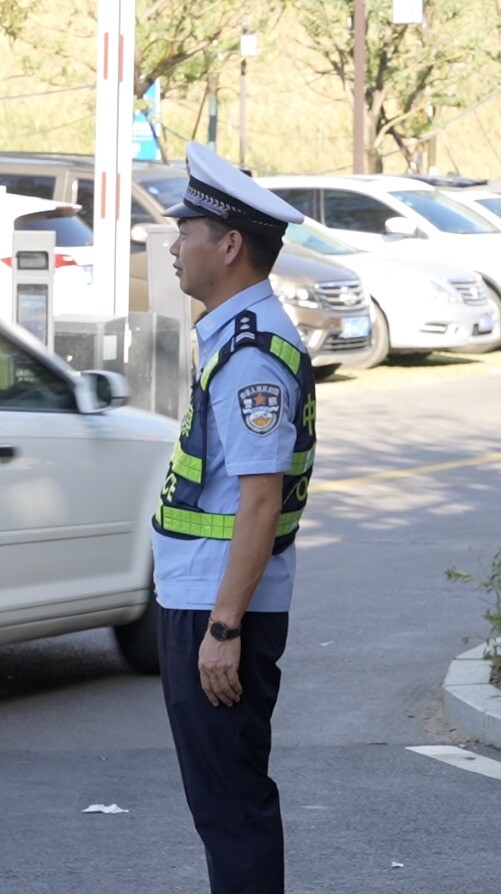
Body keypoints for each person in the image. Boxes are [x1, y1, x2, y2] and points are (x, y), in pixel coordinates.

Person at [152, 140, 312, 894]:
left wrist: (223, 629)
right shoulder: (231, 339)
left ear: (231, 244)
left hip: (220, 609)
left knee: (232, 806)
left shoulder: (251, 354)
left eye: (186, 231)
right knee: (223, 803)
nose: (175, 245)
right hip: (205, 597)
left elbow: (259, 500)